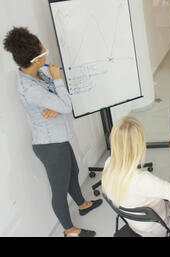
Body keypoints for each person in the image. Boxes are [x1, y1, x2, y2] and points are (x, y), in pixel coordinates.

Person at [3, 27, 102, 237]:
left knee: (73, 173)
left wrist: (55, 104)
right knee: (59, 189)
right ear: (37, 59)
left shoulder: (36, 74)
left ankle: (83, 204)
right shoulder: (31, 89)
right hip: (50, 146)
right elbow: (66, 106)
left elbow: (59, 104)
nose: (45, 50)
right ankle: (69, 230)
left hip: (58, 138)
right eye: (42, 49)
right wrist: (57, 81)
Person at [102, 117, 170, 237]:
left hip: (137, 226)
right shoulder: (142, 180)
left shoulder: (108, 164)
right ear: (139, 145)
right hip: (160, 229)